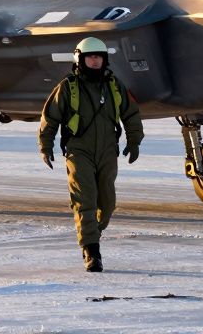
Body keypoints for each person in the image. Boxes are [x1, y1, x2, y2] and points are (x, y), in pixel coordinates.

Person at [38, 37, 144, 272]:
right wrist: (45, 146)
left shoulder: (114, 85)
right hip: (79, 150)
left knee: (107, 203)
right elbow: (50, 117)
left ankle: (92, 232)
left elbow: (130, 114)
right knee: (85, 200)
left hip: (107, 150)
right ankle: (91, 251)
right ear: (80, 59)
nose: (95, 61)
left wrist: (134, 140)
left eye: (99, 57)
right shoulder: (68, 87)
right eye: (90, 57)